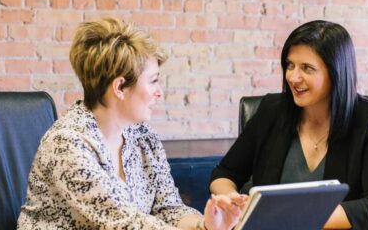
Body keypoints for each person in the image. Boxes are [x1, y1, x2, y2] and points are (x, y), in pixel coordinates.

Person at [18, 18, 241, 230]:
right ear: (119, 87)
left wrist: (205, 224)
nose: (159, 92)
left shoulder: (144, 136)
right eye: (153, 81)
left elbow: (168, 208)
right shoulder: (67, 143)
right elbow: (124, 223)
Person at [209, 20, 368, 230]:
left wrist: (295, 217)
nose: (293, 77)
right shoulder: (272, 111)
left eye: (307, 68)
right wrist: (233, 201)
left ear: (336, 73)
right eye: (290, 65)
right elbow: (224, 174)